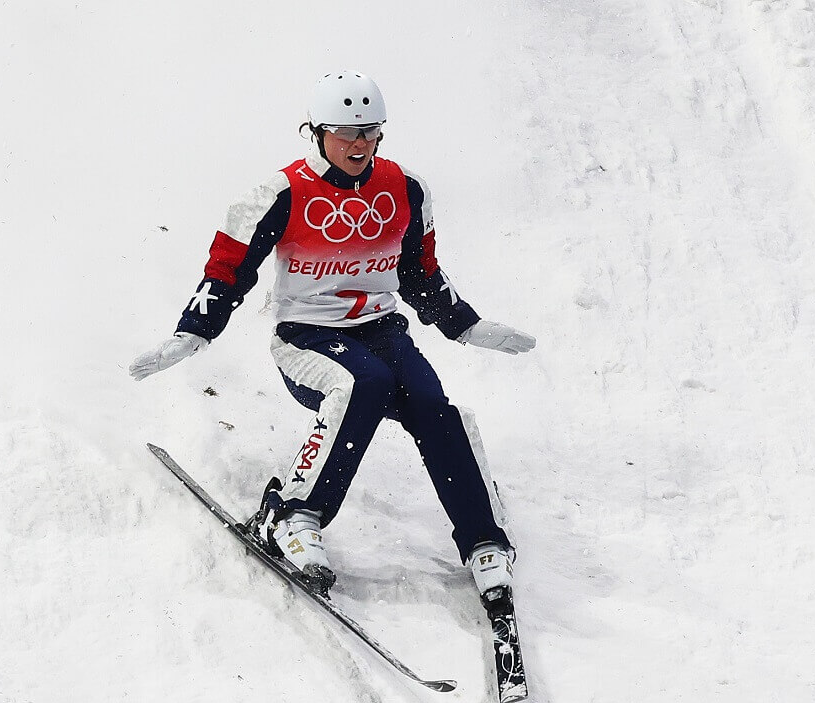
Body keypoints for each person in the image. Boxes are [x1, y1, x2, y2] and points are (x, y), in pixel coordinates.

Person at [130, 70, 535, 614]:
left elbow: (420, 272)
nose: (359, 145)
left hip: (382, 330)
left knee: (435, 407)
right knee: (361, 384)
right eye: (345, 133)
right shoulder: (281, 193)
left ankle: (484, 543)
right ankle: (293, 517)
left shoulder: (405, 189)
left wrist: (464, 324)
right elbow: (229, 267)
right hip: (306, 337)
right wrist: (193, 331)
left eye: (370, 132)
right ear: (316, 132)